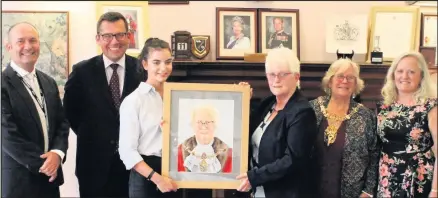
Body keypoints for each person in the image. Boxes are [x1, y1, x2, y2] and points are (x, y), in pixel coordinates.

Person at [63, 12, 145, 197]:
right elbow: (71, 115)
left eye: (120, 35)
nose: (114, 41)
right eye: (107, 36)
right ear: (98, 39)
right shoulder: (81, 72)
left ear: (129, 37)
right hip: (93, 167)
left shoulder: (143, 70)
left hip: (135, 167)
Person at [235, 47, 319, 198]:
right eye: (272, 74)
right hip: (259, 191)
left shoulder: (302, 112)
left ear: (296, 77)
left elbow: (293, 160)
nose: (276, 80)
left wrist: (254, 177)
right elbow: (244, 133)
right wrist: (241, 101)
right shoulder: (268, 103)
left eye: (282, 74)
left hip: (285, 192)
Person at [1, 22, 70, 198]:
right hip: (19, 181)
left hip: (50, 182)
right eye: (20, 41)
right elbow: (6, 134)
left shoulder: (49, 82)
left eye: (33, 40)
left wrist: (57, 153)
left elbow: (62, 123)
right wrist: (46, 165)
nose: (28, 46)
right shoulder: (2, 84)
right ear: (9, 47)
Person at [118, 37, 181, 198]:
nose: (163, 68)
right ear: (145, 64)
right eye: (156, 62)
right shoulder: (134, 101)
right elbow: (127, 151)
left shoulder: (179, 96)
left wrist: (241, 95)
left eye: (168, 62)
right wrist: (157, 179)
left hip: (175, 172)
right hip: (146, 175)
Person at [309, 59, 379, 198]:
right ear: (330, 81)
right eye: (340, 76)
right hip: (311, 190)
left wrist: (368, 191)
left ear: (356, 84)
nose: (345, 81)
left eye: (350, 77)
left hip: (352, 193)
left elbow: (374, 155)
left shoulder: (366, 116)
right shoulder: (312, 108)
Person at [377, 51, 437, 198]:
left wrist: (435, 190)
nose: (404, 76)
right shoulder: (385, 106)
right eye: (400, 71)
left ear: (421, 76)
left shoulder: (431, 106)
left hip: (418, 180)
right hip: (387, 178)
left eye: (411, 72)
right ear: (393, 74)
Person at [177, 105, 233, 173]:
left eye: (208, 122)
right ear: (192, 125)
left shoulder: (228, 152)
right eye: (199, 122)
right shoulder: (180, 150)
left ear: (215, 125)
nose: (204, 126)